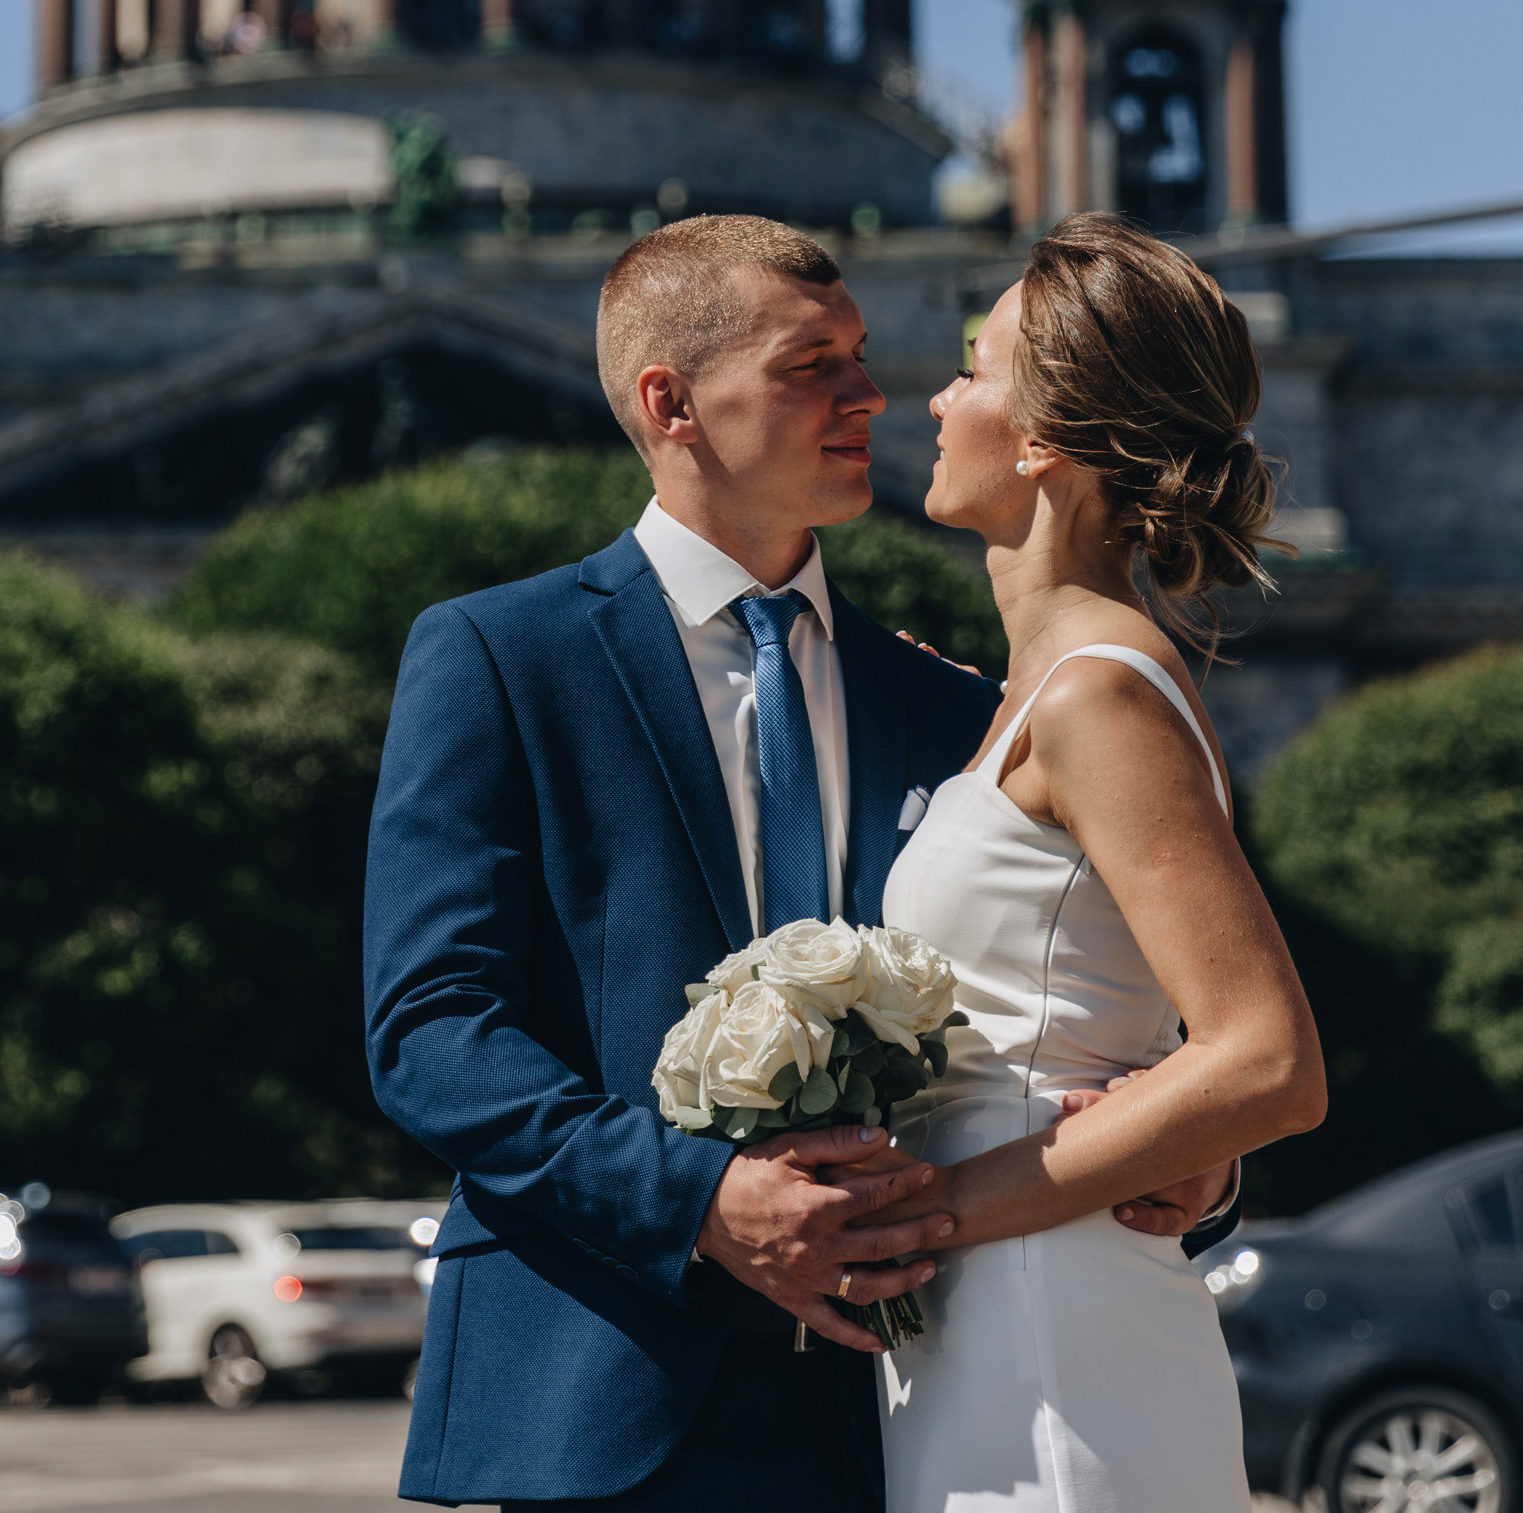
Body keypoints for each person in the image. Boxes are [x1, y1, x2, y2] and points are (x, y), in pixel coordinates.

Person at [364, 213, 1240, 1512]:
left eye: (864, 353)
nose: (869, 395)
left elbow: (1079, 1001)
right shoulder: (501, 657)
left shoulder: (963, 708)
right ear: (672, 402)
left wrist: (1197, 1160)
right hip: (608, 1391)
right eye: (810, 363)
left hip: (907, 1402)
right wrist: (705, 1195)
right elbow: (431, 1032)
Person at [869, 212, 1325, 1513]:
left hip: (1051, 1326)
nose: (938, 398)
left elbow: (1268, 1058)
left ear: (1036, 443)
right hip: (1004, 1316)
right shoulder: (1047, 688)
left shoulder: (1097, 696)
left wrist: (928, 1214)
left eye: (971, 364)